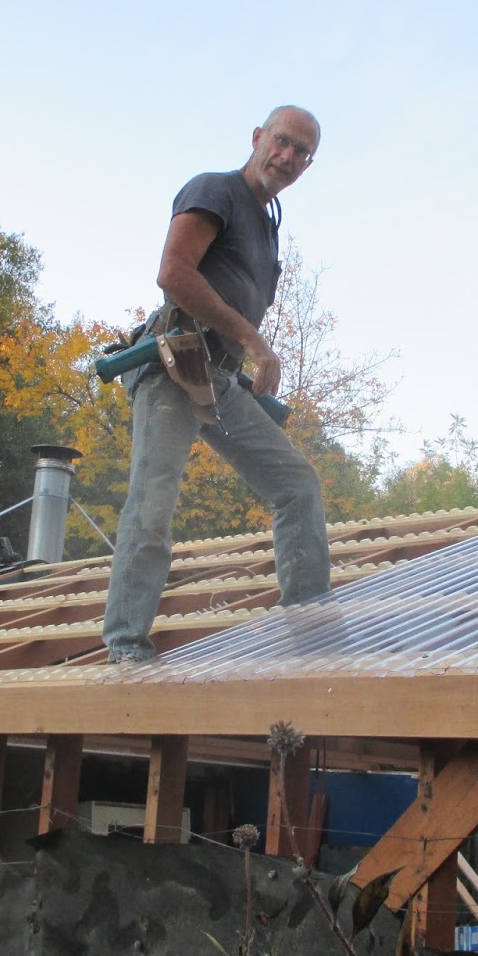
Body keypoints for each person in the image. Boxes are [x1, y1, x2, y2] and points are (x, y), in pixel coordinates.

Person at [102, 106, 330, 663]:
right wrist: (257, 342)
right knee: (152, 503)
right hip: (174, 360)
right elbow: (174, 273)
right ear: (257, 138)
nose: (289, 157)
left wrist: (246, 351)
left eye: (303, 152)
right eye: (282, 141)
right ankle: (126, 647)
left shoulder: (268, 226)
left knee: (297, 486)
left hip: (220, 378)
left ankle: (313, 634)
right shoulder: (216, 190)